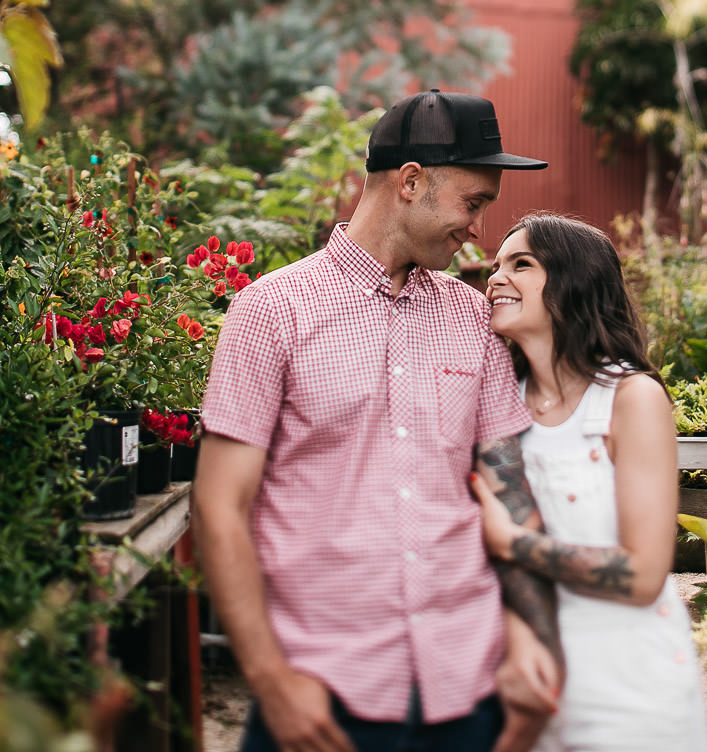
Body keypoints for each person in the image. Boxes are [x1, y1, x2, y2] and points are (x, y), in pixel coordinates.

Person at [194, 89, 567, 752]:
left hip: (467, 688)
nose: (479, 226)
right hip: (324, 696)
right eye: (473, 202)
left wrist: (533, 641)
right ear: (411, 181)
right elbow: (220, 508)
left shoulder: (474, 318)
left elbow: (509, 488)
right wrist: (270, 679)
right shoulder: (271, 312)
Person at [469, 213, 707, 752]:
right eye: (496, 265)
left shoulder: (629, 400)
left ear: (575, 280)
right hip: (524, 683)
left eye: (521, 264)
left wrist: (513, 543)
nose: (495, 278)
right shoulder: (499, 404)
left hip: (627, 690)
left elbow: (645, 574)